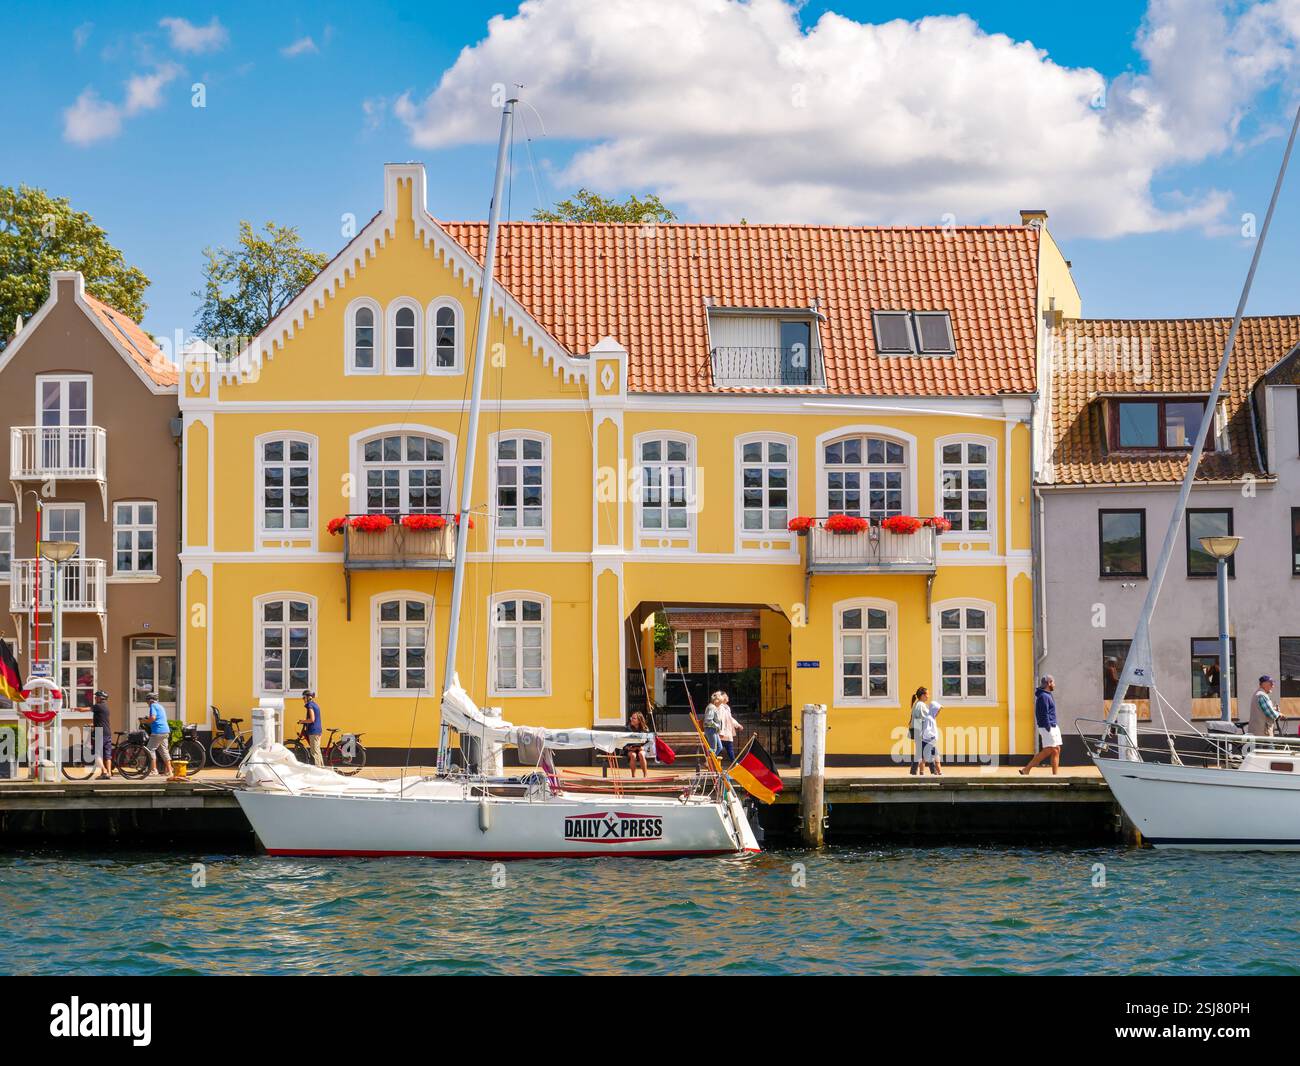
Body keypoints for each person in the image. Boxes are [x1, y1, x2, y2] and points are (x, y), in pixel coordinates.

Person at [1021, 675, 1061, 775]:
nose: (1054, 685)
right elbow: (1044, 714)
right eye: (1053, 682)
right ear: (1049, 683)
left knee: (1056, 749)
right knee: (1049, 749)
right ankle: (1026, 769)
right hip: (1048, 726)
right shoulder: (1044, 696)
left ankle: (1055, 775)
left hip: (1053, 725)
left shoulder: (1046, 694)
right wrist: (1048, 727)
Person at [909, 687, 940, 775]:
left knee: (921, 752)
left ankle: (914, 772)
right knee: (927, 750)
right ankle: (933, 771)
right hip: (920, 731)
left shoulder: (917, 704)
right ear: (922, 695)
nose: (928, 696)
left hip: (917, 731)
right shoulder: (921, 705)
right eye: (927, 694)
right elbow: (928, 717)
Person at [143, 692, 172, 778]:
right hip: (165, 731)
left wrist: (144, 721)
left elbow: (153, 718)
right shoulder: (160, 706)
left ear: (150, 700)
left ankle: (154, 770)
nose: (147, 703)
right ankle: (170, 771)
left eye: (147, 701)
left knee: (150, 749)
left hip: (158, 731)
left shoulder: (153, 706)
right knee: (164, 751)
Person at [716, 693, 745, 764]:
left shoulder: (726, 707)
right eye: (726, 696)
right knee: (721, 748)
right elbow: (721, 720)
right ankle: (734, 763)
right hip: (723, 732)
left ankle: (734, 763)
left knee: (727, 749)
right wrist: (721, 732)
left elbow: (730, 718)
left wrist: (737, 725)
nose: (727, 697)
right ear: (722, 698)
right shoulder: (720, 707)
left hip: (727, 731)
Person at [91, 689, 113, 779]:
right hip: (107, 732)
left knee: (97, 754)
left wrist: (76, 709)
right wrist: (93, 724)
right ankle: (109, 773)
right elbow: (102, 720)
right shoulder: (106, 707)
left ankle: (104, 771)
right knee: (107, 755)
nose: (95, 698)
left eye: (96, 697)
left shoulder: (98, 706)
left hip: (100, 732)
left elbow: (86, 709)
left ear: (100, 698)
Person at [300, 690, 324, 767]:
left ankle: (318, 770)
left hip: (313, 731)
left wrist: (302, 721)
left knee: (314, 752)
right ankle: (322, 768)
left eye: (304, 698)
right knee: (317, 751)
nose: (303, 699)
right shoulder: (315, 704)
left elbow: (312, 719)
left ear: (308, 697)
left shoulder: (309, 705)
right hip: (318, 730)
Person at [625, 709, 651, 777]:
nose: (632, 719)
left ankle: (645, 775)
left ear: (639, 720)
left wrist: (643, 747)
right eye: (631, 718)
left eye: (634, 718)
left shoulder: (645, 729)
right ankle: (633, 776)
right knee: (633, 755)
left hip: (642, 749)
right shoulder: (628, 729)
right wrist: (628, 747)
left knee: (641, 754)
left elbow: (649, 742)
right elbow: (623, 742)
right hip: (631, 749)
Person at [701, 692, 724, 759]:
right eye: (720, 702)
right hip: (710, 729)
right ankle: (709, 762)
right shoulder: (712, 707)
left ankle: (711, 761)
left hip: (713, 730)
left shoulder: (713, 707)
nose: (720, 704)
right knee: (713, 748)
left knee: (719, 747)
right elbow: (708, 720)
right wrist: (717, 726)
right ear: (716, 701)